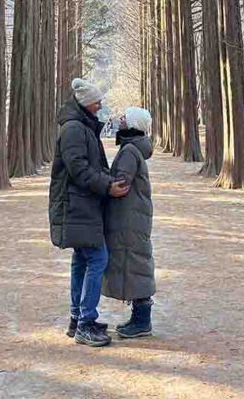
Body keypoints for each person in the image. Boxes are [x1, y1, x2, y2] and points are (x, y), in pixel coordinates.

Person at [48, 77, 130, 348]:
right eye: (97, 101)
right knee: (97, 258)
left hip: (82, 205)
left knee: (82, 260)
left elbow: (90, 165)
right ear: (85, 103)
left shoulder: (81, 126)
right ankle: (85, 322)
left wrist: (108, 180)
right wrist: (107, 186)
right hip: (76, 205)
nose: (100, 105)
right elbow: (79, 170)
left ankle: (78, 319)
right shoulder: (74, 129)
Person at [102, 106, 156, 339]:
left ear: (133, 124)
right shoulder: (133, 149)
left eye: (125, 117)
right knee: (136, 263)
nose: (121, 119)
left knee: (134, 264)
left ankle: (142, 321)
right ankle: (139, 318)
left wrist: (102, 182)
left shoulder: (129, 151)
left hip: (128, 218)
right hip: (133, 216)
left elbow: (120, 184)